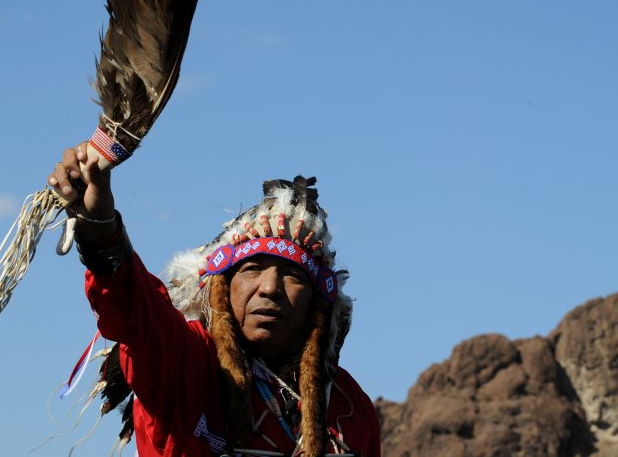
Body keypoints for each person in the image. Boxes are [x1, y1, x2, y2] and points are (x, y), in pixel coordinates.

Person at [50, 143, 381, 456]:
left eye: (293, 276)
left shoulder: (349, 407)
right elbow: (140, 314)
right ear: (222, 289)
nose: (270, 288)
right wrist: (100, 226)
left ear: (317, 306)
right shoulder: (187, 363)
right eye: (251, 269)